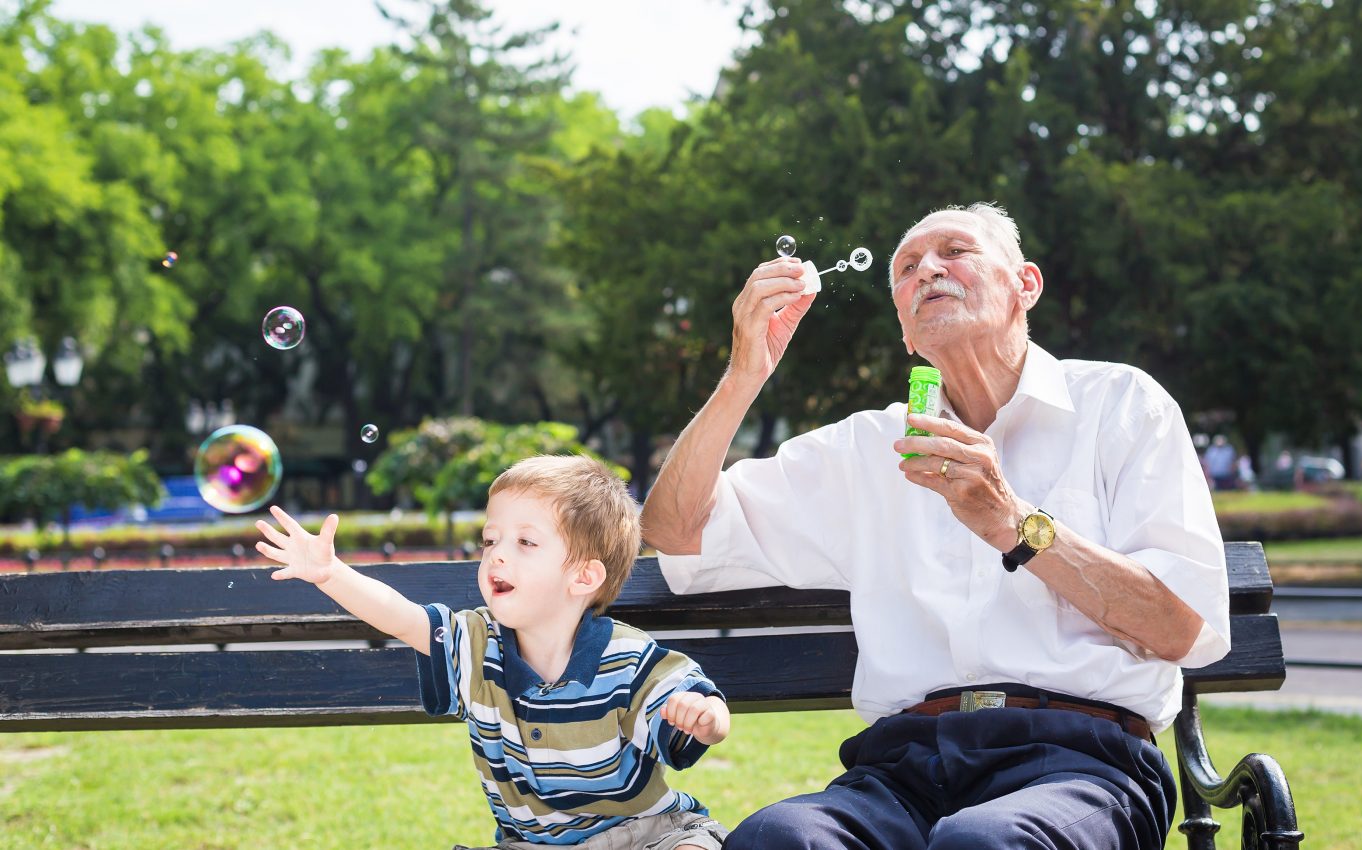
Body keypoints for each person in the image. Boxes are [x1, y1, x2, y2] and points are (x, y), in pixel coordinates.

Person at [641, 202, 1231, 849]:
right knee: (777, 838)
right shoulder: (866, 449)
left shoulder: (1121, 406)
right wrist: (742, 373)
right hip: (903, 768)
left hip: (1082, 761)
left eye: (955, 251)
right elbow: (674, 530)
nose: (928, 270)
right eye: (906, 268)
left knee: (980, 843)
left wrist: (1013, 522)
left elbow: (1181, 627)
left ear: (1024, 286)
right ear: (905, 332)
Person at [255, 455, 731, 850]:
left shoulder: (625, 657)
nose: (497, 555)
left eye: (525, 542)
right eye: (490, 540)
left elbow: (696, 705)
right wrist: (330, 573)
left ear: (583, 578)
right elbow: (403, 617)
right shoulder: (477, 644)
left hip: (641, 837)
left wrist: (706, 717)